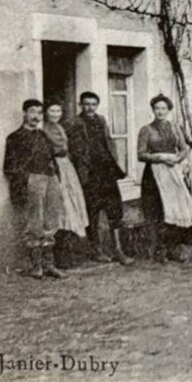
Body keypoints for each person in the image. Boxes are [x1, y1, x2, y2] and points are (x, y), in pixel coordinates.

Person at [64, 91, 132, 265]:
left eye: (93, 104)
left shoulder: (101, 120)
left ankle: (118, 249)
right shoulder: (74, 123)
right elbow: (75, 151)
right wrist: (81, 171)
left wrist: (114, 163)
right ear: (81, 105)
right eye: (86, 104)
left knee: (115, 210)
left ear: (97, 105)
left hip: (106, 172)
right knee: (92, 212)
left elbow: (109, 143)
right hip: (90, 175)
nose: (90, 107)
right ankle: (96, 250)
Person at [3, 98, 65, 280]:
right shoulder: (14, 137)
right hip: (32, 182)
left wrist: (55, 177)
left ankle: (49, 265)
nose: (36, 116)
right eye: (32, 112)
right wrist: (27, 180)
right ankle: (36, 266)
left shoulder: (43, 135)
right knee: (34, 223)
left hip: (50, 179)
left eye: (39, 112)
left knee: (51, 221)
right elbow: (9, 167)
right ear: (24, 114)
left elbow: (52, 159)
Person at [137, 94, 192, 262]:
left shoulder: (175, 127)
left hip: (173, 172)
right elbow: (141, 154)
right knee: (158, 211)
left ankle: (173, 248)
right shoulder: (146, 130)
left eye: (163, 108)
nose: (160, 112)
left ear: (168, 110)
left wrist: (178, 159)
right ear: (153, 110)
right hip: (154, 175)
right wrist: (160, 157)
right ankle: (159, 250)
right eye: (157, 108)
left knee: (174, 209)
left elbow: (185, 148)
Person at [44, 102, 90, 268]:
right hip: (55, 167)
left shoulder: (61, 127)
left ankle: (70, 253)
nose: (55, 114)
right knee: (62, 207)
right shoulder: (44, 129)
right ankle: (59, 256)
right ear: (46, 112)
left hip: (66, 166)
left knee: (73, 205)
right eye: (52, 110)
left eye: (58, 110)